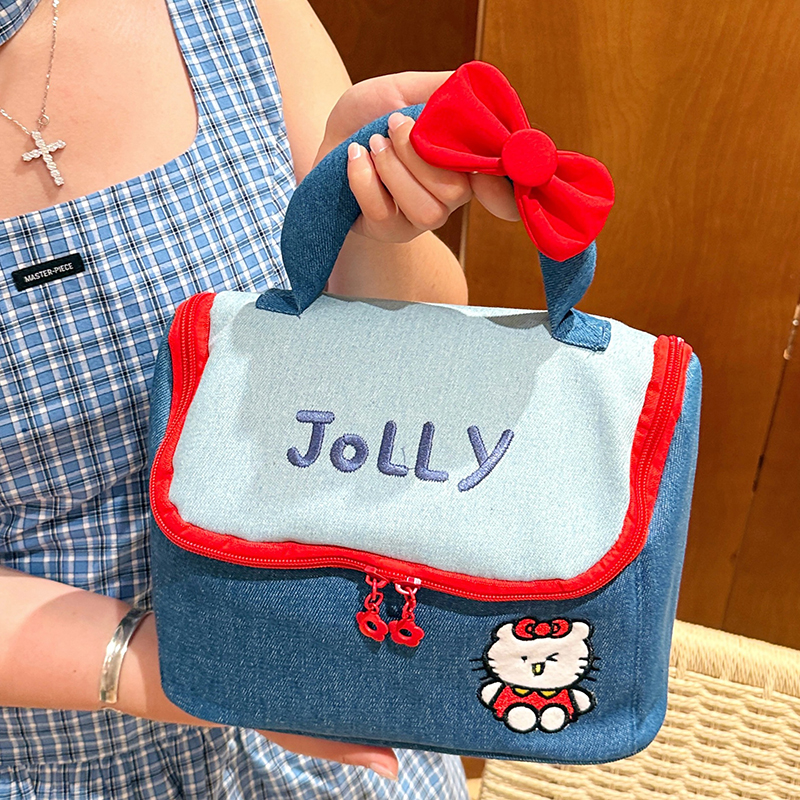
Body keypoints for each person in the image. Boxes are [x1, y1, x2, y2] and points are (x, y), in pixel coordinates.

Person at [0, 0, 517, 795]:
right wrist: (187, 666)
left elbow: (424, 367)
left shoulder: (235, 12)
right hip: (67, 762)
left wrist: (358, 225)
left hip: (354, 693)